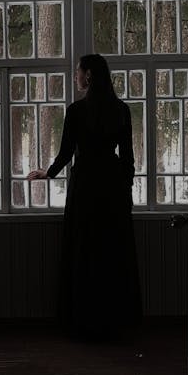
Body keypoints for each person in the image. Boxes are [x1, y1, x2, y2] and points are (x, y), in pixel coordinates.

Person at [27, 53, 141, 339]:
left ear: (88, 75)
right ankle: (116, 322)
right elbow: (128, 158)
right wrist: (125, 189)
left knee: (84, 250)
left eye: (78, 71)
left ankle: (84, 321)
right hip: (112, 187)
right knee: (112, 254)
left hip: (86, 185)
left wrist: (49, 173)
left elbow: (67, 152)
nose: (75, 76)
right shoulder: (121, 110)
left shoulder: (77, 111)